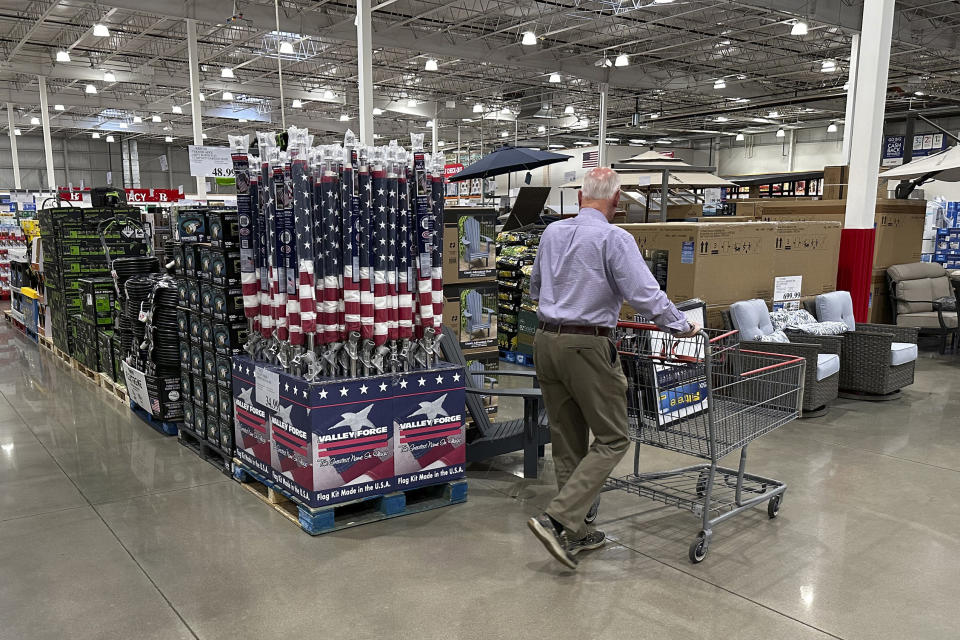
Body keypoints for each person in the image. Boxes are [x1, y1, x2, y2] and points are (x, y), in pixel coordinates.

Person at [527, 167, 700, 570]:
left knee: (567, 437)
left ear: (581, 197)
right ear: (617, 201)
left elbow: (535, 287)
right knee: (612, 438)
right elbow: (644, 294)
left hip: (545, 341)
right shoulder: (614, 237)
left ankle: (578, 533)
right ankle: (557, 519)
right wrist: (682, 325)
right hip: (587, 346)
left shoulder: (552, 234)